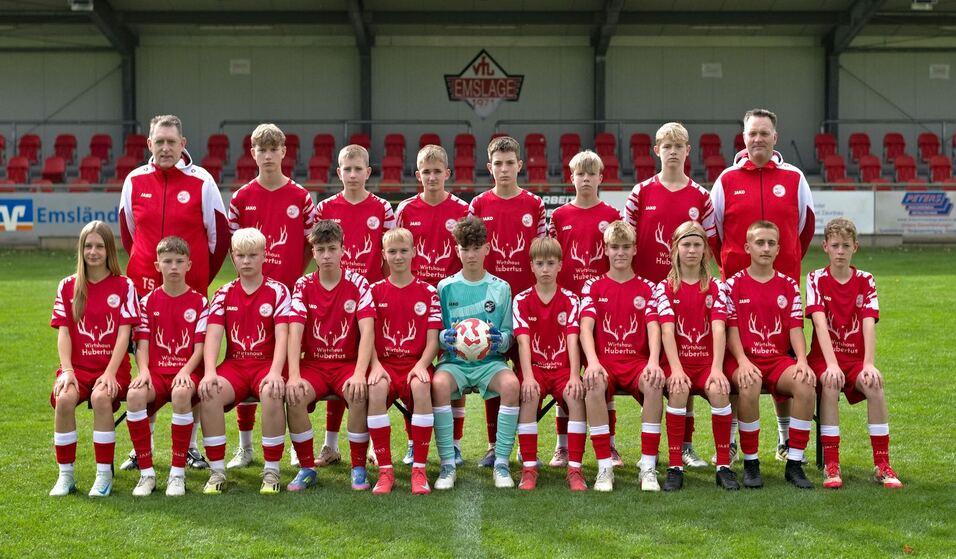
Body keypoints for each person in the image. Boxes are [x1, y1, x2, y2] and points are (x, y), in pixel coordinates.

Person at [709, 108, 816, 460]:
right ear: (743, 137)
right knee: (739, 365)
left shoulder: (795, 177)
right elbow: (715, 233)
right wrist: (733, 266)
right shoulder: (726, 179)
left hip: (781, 293)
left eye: (764, 133)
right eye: (752, 133)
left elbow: (805, 227)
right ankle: (737, 438)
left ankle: (785, 437)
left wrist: (784, 266)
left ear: (775, 137)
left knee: (783, 360)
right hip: (737, 293)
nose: (758, 139)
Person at [225, 123, 317, 469]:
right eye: (260, 150)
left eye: (272, 149)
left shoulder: (301, 197)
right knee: (242, 358)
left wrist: (290, 277)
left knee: (292, 371)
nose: (266, 156)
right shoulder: (241, 198)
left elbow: (310, 246)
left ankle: (296, 443)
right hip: (248, 297)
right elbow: (235, 249)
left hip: (289, 300)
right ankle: (245, 446)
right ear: (253, 154)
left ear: (283, 152)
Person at [625, 123, 715, 468]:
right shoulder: (641, 192)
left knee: (684, 369)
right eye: (667, 145)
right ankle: (633, 446)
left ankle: (685, 445)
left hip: (684, 295)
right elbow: (626, 243)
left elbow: (707, 247)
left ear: (688, 151)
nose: (673, 151)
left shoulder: (700, 196)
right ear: (656, 151)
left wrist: (695, 285)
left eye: (679, 145)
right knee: (640, 369)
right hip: (644, 297)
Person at [313, 144, 394, 467]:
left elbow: (387, 259)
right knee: (339, 365)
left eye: (358, 169)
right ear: (338, 173)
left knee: (371, 372)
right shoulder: (326, 208)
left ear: (368, 172)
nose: (352, 175)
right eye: (347, 169)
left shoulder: (383, 208)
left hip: (371, 301)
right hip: (335, 301)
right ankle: (330, 445)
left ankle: (373, 443)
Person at [468, 136, 546, 467]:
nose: (503, 169)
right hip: (490, 305)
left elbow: (543, 252)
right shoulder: (478, 205)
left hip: (528, 305)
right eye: (497, 164)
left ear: (519, 165)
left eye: (509, 163)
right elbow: (470, 255)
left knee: (533, 374)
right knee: (493, 373)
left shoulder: (535, 205)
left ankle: (529, 446)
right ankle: (493, 444)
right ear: (490, 167)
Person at [806, 218, 902, 489]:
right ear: (825, 246)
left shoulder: (865, 280)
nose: (840, 251)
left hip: (855, 360)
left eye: (845, 246)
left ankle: (882, 464)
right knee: (829, 381)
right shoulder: (815, 278)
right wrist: (832, 365)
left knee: (875, 386)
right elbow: (819, 324)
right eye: (834, 245)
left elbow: (868, 322)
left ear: (855, 247)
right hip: (824, 359)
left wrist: (869, 364)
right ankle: (831, 465)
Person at [49, 221, 140, 497]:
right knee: (64, 399)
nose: (93, 252)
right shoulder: (68, 286)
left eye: (99, 246)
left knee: (101, 398)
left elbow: (125, 337)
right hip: (77, 369)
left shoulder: (124, 286)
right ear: (81, 249)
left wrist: (111, 373)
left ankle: (103, 475)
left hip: (113, 370)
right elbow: (64, 333)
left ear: (109, 249)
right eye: (88, 246)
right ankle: (66, 476)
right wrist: (67, 371)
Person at [284, 220, 376, 492]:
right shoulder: (303, 285)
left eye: (332, 249)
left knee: (359, 392)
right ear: (312, 252)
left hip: (347, 364)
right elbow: (295, 332)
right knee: (295, 395)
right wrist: (295, 375)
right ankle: (306, 467)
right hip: (313, 365)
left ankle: (358, 467)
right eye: (320, 249)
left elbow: (367, 331)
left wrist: (360, 373)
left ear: (343, 251)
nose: (326, 255)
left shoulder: (358, 283)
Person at [197, 228, 291, 494]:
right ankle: (217, 472)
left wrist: (275, 372)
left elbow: (283, 336)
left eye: (252, 255)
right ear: (233, 257)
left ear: (264, 256)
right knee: (210, 393)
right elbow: (213, 337)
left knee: (273, 392)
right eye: (241, 255)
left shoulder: (278, 291)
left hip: (266, 365)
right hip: (235, 366)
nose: (246, 261)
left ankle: (272, 471)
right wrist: (209, 371)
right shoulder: (223, 293)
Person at [724, 221, 815, 490]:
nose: (765, 248)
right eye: (760, 242)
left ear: (778, 249)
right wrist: (742, 361)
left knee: (805, 384)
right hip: (743, 358)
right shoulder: (732, 285)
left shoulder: (789, 286)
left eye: (771, 243)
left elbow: (795, 328)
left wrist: (802, 361)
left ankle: (794, 462)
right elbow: (731, 330)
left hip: (777, 360)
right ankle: (751, 462)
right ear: (747, 247)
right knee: (748, 384)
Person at [394, 144, 469, 465]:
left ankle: (453, 443)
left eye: (438, 171)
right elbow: (394, 255)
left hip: (453, 305)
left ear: (447, 174)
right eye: (426, 172)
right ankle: (414, 441)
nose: (432, 177)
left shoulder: (463, 211)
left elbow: (470, 259)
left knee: (455, 373)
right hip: (413, 307)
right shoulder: (406, 211)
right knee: (418, 374)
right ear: (417, 175)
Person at [432, 216, 520, 490]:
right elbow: (436, 335)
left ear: (487, 248)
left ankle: (502, 462)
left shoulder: (501, 287)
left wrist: (499, 340)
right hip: (455, 362)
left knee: (511, 385)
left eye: (475, 247)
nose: (470, 254)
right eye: (464, 248)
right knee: (437, 385)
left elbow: (509, 336)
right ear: (456, 250)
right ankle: (447, 463)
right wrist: (442, 338)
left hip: (490, 363)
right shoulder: (445, 288)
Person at [547, 149, 621, 468]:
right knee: (569, 378)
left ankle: (611, 445)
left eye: (592, 174)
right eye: (581, 174)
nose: (586, 179)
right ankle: (562, 446)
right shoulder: (560, 216)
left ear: (601, 179)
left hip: (601, 310)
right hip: (566, 309)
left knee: (603, 377)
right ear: (571, 178)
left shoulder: (611, 214)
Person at [579, 220, 665, 492]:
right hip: (605, 362)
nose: (620, 253)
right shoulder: (592, 286)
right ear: (605, 250)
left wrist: (653, 362)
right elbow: (585, 329)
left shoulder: (649, 287)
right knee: (592, 382)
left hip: (637, 362)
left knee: (653, 382)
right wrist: (592, 362)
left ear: (635, 249)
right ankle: (604, 466)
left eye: (626, 247)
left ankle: (648, 466)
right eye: (614, 247)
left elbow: (654, 327)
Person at [655, 221, 739, 491]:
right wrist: (677, 370)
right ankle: (675, 466)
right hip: (676, 363)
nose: (692, 250)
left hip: (706, 363)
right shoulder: (665, 287)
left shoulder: (716, 288)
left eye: (697, 245)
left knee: (720, 391)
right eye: (686, 244)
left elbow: (718, 328)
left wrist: (716, 368)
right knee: (679, 392)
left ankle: (724, 466)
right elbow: (667, 332)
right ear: (675, 249)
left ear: (705, 250)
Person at [125, 236, 208, 496]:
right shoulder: (147, 302)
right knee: (135, 395)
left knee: (182, 393)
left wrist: (185, 370)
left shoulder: (200, 302)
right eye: (167, 261)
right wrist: (144, 371)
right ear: (157, 265)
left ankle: (177, 474)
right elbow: (142, 345)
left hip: (188, 372)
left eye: (179, 261)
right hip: (157, 373)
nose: (173, 267)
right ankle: (147, 474)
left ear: (189, 265)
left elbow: (200, 349)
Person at [366, 228, 443, 494]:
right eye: (392, 252)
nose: (398, 257)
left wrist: (422, 365)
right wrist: (375, 365)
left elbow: (433, 340)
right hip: (384, 364)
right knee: (375, 389)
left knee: (421, 387)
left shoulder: (428, 292)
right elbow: (367, 337)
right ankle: (385, 471)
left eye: (403, 251)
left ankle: (419, 470)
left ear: (414, 252)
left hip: (415, 362)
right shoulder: (373, 291)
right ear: (383, 255)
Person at [119, 114, 229, 297]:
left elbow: (219, 240)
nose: (165, 148)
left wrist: (199, 276)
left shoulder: (203, 181)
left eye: (171, 141)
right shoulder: (133, 180)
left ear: (182, 143)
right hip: (142, 291)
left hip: (189, 291)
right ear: (149, 144)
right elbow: (129, 235)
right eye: (159, 141)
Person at [512, 237, 586, 491]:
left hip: (563, 369)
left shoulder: (571, 299)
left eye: (550, 263)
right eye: (540, 263)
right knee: (529, 396)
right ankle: (529, 467)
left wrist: (575, 376)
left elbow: (573, 340)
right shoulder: (521, 300)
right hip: (534, 369)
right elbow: (523, 342)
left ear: (560, 266)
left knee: (575, 397)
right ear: (531, 266)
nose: (545, 269)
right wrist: (528, 377)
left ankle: (575, 468)